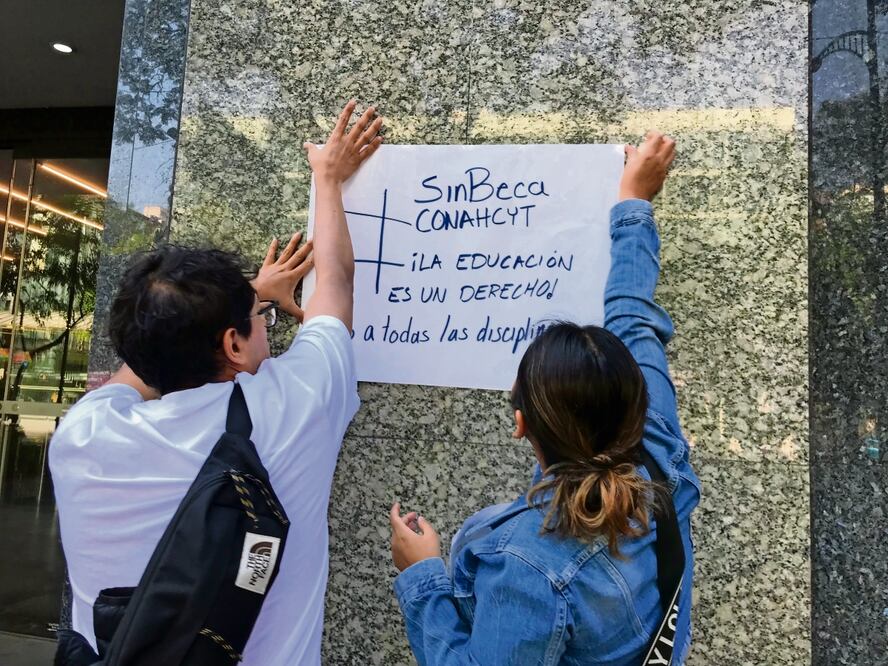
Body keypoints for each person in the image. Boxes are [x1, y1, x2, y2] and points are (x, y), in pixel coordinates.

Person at [49, 100, 382, 665]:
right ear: (232, 344)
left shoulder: (81, 433)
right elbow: (336, 284)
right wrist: (328, 178)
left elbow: (145, 355)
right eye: (259, 317)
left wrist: (237, 302)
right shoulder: (290, 408)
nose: (265, 323)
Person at [389, 131, 701, 665]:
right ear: (636, 399)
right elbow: (632, 315)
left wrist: (420, 574)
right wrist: (633, 202)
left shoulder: (528, 565)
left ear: (519, 424)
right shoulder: (657, 439)